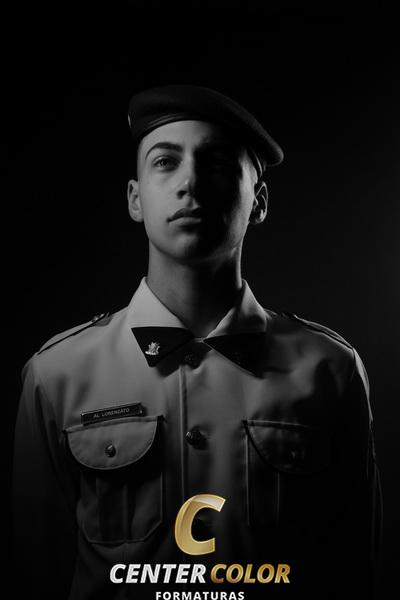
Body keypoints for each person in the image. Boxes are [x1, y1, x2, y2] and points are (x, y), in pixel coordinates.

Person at [13, 85, 382, 600]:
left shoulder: (330, 369)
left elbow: (353, 574)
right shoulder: (57, 374)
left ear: (258, 201)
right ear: (135, 199)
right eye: (165, 162)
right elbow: (34, 576)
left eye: (217, 163)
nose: (190, 183)